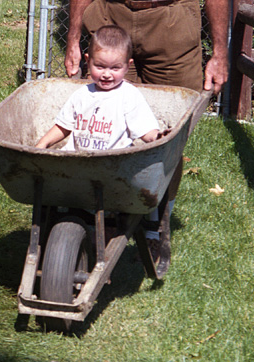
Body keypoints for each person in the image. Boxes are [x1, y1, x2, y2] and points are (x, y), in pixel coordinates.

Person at [64, 0, 230, 276]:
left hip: (171, 24)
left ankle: (156, 223)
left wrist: (220, 51)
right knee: (105, 121)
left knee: (169, 135)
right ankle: (107, 216)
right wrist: (72, 39)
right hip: (110, 16)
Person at [36, 25, 165, 152]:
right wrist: (43, 143)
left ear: (127, 66)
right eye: (99, 66)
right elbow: (64, 126)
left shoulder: (129, 95)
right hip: (76, 159)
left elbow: (144, 128)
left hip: (113, 162)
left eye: (115, 68)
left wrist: (156, 137)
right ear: (88, 61)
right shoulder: (82, 94)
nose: (107, 74)